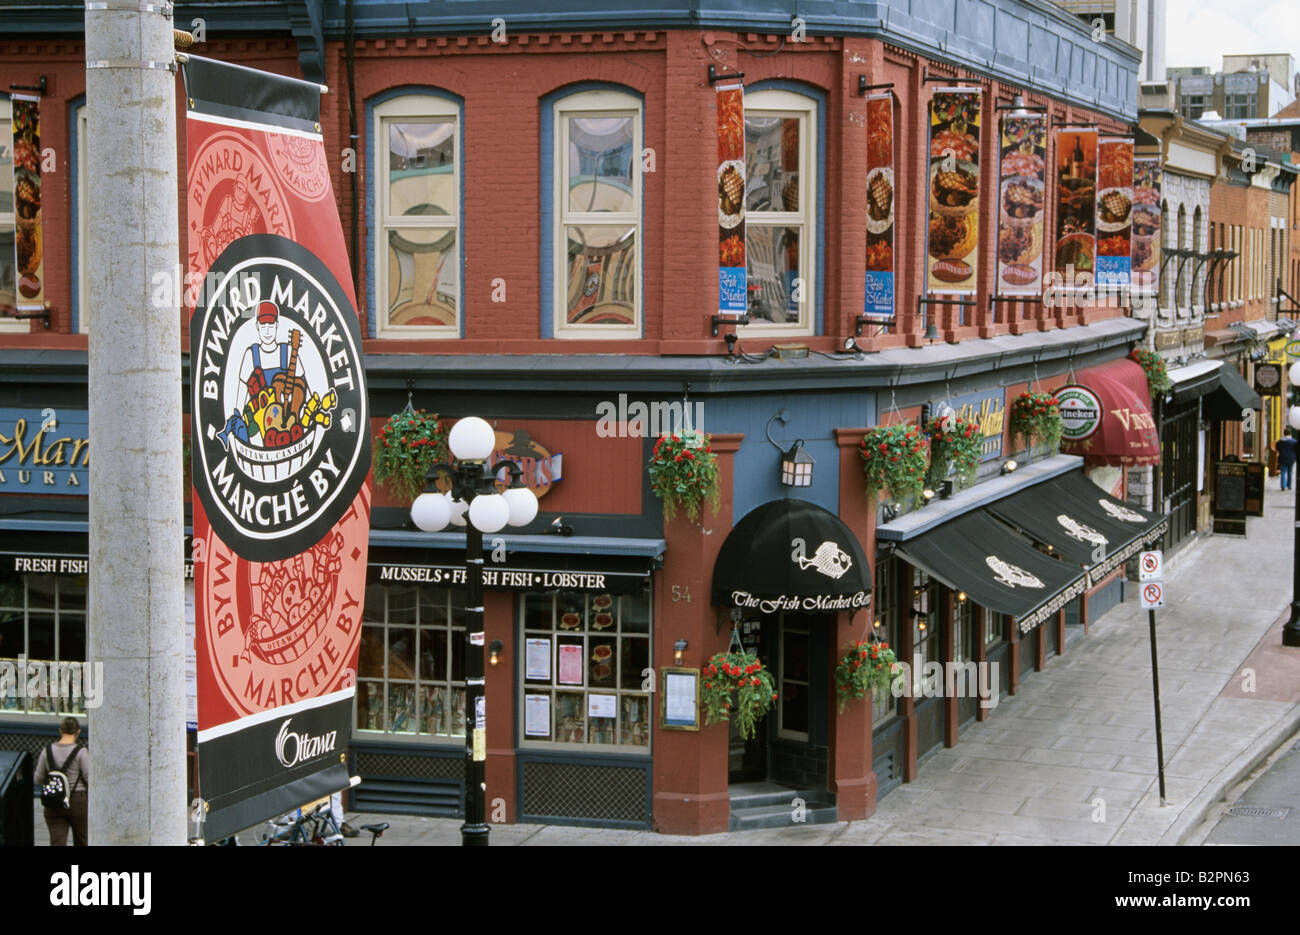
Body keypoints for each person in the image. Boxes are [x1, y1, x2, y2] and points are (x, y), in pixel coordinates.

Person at [33, 716, 89, 846]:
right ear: (78, 732)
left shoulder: (47, 751)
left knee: (57, 841)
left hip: (53, 801)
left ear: (60, 730)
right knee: (82, 840)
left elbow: (37, 778)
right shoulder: (81, 752)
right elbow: (89, 777)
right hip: (77, 801)